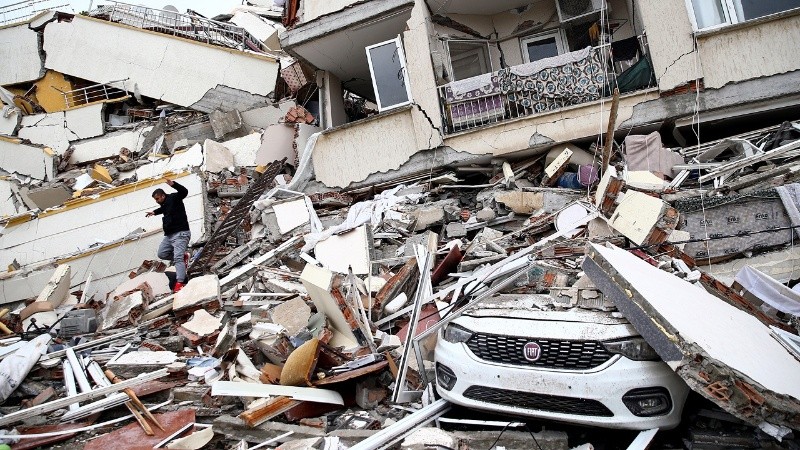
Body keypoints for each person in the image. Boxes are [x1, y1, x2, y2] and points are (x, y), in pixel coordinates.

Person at [146, 178, 191, 292]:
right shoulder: (165, 204)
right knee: (162, 253)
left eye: (157, 199)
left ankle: (180, 282)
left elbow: (184, 192)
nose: (156, 201)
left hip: (181, 233)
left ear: (162, 196)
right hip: (169, 235)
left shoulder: (174, 198)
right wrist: (154, 212)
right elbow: (163, 209)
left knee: (177, 258)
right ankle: (183, 256)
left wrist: (173, 184)